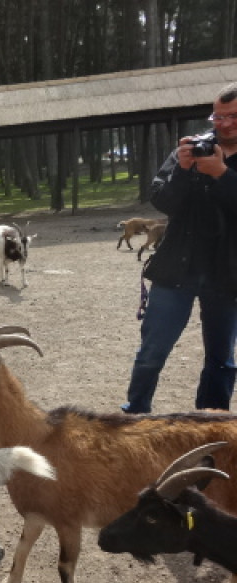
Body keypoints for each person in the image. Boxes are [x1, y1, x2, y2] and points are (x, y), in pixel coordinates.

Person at [122, 82, 237, 415]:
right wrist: (184, 170)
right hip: (176, 269)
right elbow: (161, 200)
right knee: (151, 352)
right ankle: (135, 417)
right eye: (219, 116)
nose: (225, 123)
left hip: (227, 275)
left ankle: (210, 425)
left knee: (221, 360)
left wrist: (222, 175)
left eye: (233, 116)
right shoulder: (191, 149)